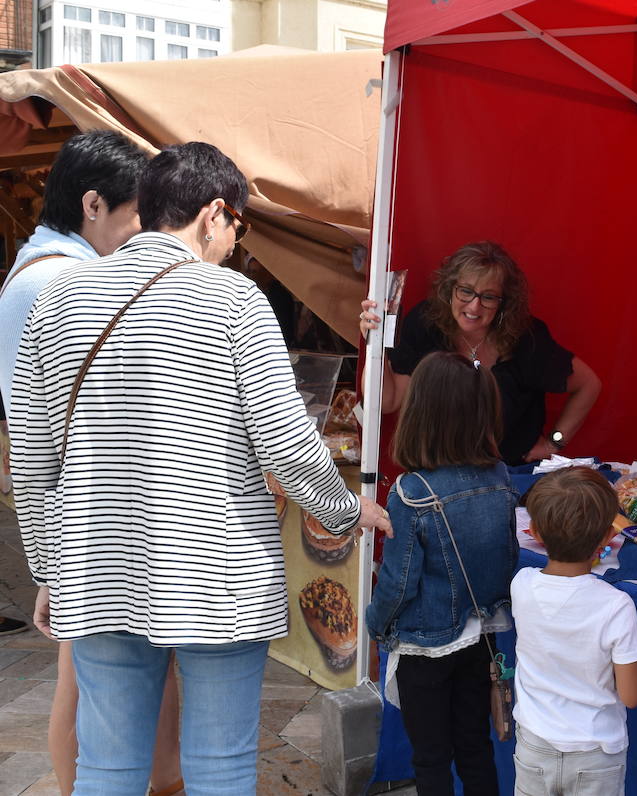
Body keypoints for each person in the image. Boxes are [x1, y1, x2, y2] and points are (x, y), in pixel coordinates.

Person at [9, 141, 392, 794]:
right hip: (219, 576)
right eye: (238, 226)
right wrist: (345, 510)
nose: (234, 243)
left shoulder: (58, 302)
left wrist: (49, 568)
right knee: (220, 768)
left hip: (97, 566)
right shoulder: (234, 302)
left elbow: (33, 458)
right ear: (215, 213)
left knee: (106, 767)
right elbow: (289, 444)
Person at [0, 129, 183, 796]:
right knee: (85, 683)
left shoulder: (36, 270)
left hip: (86, 508)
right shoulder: (64, 280)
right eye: (137, 216)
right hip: (91, 510)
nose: (141, 235)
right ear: (94, 205)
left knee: (93, 677)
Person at [365, 351, 518, 796]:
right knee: (475, 746)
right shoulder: (500, 476)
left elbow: (398, 582)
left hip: (423, 647)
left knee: (431, 759)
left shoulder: (412, 491)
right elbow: (505, 561)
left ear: (422, 413)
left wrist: (376, 623)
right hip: (481, 638)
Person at [360, 242, 601, 465]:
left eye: (488, 297)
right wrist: (375, 344)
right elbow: (387, 402)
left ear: (504, 302)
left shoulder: (526, 337)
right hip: (438, 474)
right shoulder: (426, 324)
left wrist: (553, 443)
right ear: (449, 288)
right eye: (465, 291)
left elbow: (589, 384)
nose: (474, 306)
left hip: (510, 476)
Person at [512, 467, 637, 796]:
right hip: (595, 754)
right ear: (608, 536)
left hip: (534, 745)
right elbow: (632, 696)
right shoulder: (616, 605)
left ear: (534, 531)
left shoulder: (522, 584)